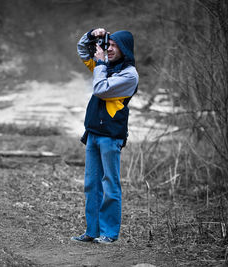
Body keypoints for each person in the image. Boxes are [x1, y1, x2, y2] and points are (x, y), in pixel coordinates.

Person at [71, 28, 138, 244]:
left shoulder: (129, 75)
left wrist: (100, 64)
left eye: (113, 45)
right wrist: (92, 35)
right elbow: (83, 51)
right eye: (107, 44)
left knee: (110, 184)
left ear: (124, 49)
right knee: (91, 184)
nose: (108, 48)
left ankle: (109, 233)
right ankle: (92, 231)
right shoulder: (105, 66)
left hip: (111, 135)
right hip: (93, 133)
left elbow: (100, 89)